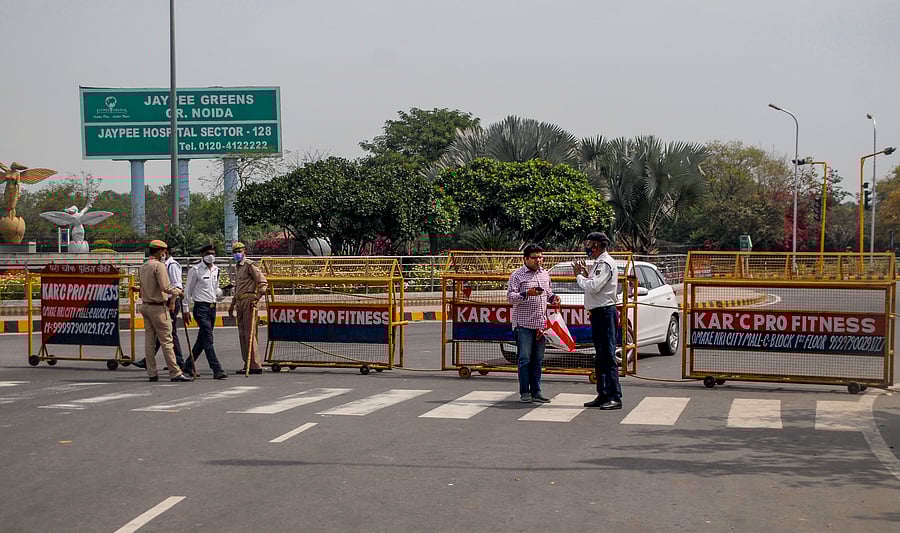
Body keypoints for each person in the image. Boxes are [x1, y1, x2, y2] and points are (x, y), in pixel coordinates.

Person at [507, 243, 560, 403]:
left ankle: (537, 391)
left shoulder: (545, 274)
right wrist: (526, 294)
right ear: (525, 259)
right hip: (523, 324)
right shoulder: (517, 276)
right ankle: (525, 392)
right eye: (534, 257)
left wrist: (553, 298)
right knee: (525, 359)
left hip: (540, 325)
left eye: (540, 257)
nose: (538, 260)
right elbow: (510, 297)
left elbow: (548, 292)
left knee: (538, 360)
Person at [574, 232, 622, 409]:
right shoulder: (598, 263)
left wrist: (578, 276)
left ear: (598, 245)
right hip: (597, 313)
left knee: (608, 355)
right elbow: (594, 282)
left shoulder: (605, 263)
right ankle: (602, 393)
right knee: (600, 356)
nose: (588, 247)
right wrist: (586, 273)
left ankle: (614, 396)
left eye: (590, 244)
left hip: (605, 312)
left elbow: (593, 286)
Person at [138, 240, 192, 382]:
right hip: (158, 307)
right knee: (167, 341)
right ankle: (175, 372)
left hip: (145, 305)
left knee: (149, 342)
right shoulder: (159, 266)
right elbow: (166, 287)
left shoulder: (143, 266)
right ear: (158, 251)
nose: (164, 254)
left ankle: (152, 373)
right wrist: (178, 292)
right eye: (163, 251)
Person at [183, 244, 228, 380]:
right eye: (208, 253)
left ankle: (188, 365)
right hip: (200, 308)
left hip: (212, 307)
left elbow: (215, 289)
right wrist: (185, 309)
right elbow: (188, 290)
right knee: (208, 338)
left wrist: (223, 292)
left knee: (202, 339)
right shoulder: (195, 270)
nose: (211, 256)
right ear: (202, 255)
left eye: (213, 253)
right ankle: (216, 369)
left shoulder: (216, 270)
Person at [229, 242, 268, 375]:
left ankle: (255, 365)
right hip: (240, 301)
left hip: (249, 301)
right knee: (242, 334)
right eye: (234, 252)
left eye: (239, 251)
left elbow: (263, 282)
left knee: (250, 333)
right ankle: (247, 363)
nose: (236, 254)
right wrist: (232, 305)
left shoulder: (250, 265)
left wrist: (256, 298)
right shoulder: (238, 267)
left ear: (244, 251)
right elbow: (237, 288)